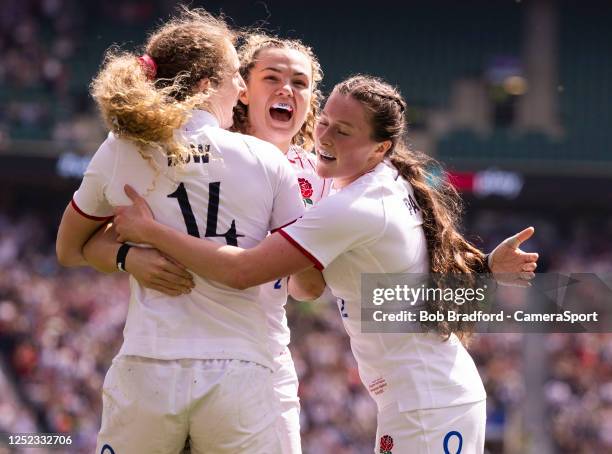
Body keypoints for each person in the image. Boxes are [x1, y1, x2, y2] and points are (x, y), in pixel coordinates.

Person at [113, 74, 539, 453]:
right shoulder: (379, 181)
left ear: (380, 148)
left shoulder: (357, 206)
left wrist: (151, 232)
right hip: (423, 398)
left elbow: (242, 272)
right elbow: (315, 284)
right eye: (325, 122)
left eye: (344, 131)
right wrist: (484, 267)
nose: (326, 137)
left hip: (429, 404)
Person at [55, 9, 305, 453]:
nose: (242, 89)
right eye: (234, 76)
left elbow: (68, 248)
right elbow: (305, 280)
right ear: (208, 85)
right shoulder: (268, 162)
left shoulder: (119, 148)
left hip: (147, 367)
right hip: (242, 373)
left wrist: (125, 256)